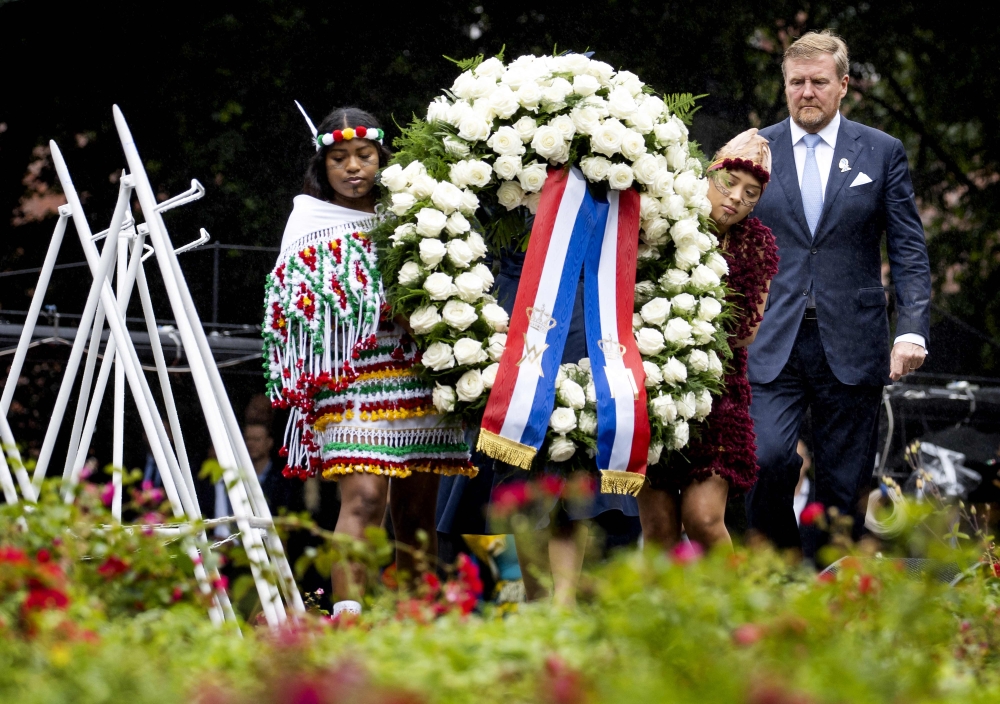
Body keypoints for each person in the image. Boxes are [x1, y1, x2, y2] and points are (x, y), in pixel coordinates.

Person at [263, 106, 474, 617]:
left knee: (417, 511)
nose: (353, 167)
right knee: (362, 499)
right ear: (324, 165)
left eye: (364, 155)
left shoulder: (414, 217)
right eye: (340, 158)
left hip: (416, 373)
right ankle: (348, 618)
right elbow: (288, 305)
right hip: (349, 376)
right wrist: (371, 303)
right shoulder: (309, 221)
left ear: (382, 159)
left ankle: (417, 620)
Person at [746, 31, 931, 553]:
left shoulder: (881, 151)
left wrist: (911, 330)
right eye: (796, 82)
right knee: (767, 459)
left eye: (818, 82)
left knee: (842, 482)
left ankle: (815, 587)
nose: (806, 92)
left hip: (853, 339)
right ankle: (777, 568)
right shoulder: (754, 148)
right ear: (784, 85)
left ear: (843, 85)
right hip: (769, 336)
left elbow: (909, 250)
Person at [637, 129, 779, 551]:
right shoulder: (665, 221)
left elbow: (746, 330)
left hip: (717, 392)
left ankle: (736, 614)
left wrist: (690, 316)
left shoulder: (757, 244)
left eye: (751, 193)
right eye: (729, 183)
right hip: (654, 384)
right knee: (659, 530)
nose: (737, 197)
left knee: (702, 519)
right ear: (709, 173)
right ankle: (664, 618)